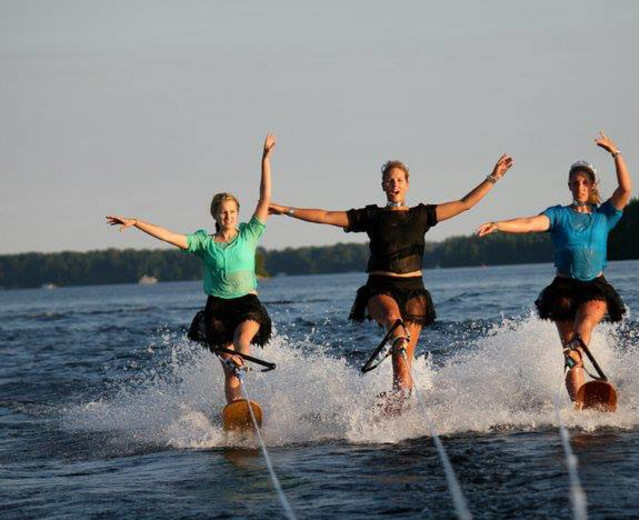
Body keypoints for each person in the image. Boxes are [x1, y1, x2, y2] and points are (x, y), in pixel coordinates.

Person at [269, 154, 513, 401]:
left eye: (399, 180)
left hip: (415, 291)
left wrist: (493, 177)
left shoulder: (422, 215)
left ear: (407, 184)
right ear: (383, 185)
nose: (394, 184)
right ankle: (398, 392)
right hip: (380, 289)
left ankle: (399, 409)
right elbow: (326, 216)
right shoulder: (371, 216)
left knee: (403, 357)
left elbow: (464, 204)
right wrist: (286, 210)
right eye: (389, 180)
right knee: (397, 330)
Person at [106, 133, 277, 404]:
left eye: (232, 212)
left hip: (247, 303)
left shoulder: (249, 234)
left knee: (242, 343)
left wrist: (265, 159)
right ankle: (235, 409)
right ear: (215, 215)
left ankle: (241, 360)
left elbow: (264, 197)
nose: (228, 217)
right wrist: (137, 222)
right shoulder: (202, 242)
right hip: (218, 308)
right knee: (229, 370)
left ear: (238, 213)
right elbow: (167, 235)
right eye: (223, 212)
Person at [476, 132, 631, 401]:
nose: (579, 187)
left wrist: (615, 153)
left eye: (584, 182)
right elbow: (528, 223)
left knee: (585, 322)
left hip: (595, 284)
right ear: (569, 186)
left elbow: (626, 189)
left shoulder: (604, 215)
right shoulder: (558, 215)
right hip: (563, 287)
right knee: (568, 347)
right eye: (574, 183)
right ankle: (577, 403)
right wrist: (499, 224)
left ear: (592, 185)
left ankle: (576, 352)